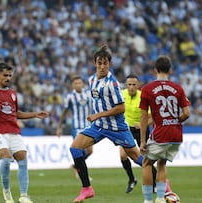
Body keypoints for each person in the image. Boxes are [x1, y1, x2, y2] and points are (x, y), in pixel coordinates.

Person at [69, 44, 145, 202]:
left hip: (117, 128)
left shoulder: (113, 83)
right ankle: (87, 188)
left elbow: (121, 108)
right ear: (95, 63)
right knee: (75, 148)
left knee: (139, 159)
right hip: (98, 126)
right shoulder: (91, 80)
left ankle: (163, 182)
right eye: (99, 63)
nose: (102, 66)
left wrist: (98, 115)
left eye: (105, 63)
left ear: (109, 64)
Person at [0, 62, 49, 203]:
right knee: (6, 159)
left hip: (14, 130)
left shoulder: (13, 94)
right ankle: (7, 192)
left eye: (10, 75)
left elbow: (16, 113)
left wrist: (35, 114)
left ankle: (23, 195)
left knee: (23, 158)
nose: (8, 78)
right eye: (5, 75)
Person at [139, 55, 191, 203]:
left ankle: (148, 200)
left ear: (155, 70)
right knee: (161, 163)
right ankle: (161, 198)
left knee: (146, 163)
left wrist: (142, 141)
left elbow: (144, 118)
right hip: (176, 135)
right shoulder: (178, 88)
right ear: (170, 70)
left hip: (160, 133)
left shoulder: (147, 89)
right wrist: (174, 121)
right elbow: (187, 113)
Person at [119, 74, 156, 193]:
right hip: (126, 130)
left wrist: (142, 125)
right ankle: (131, 179)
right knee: (123, 156)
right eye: (129, 84)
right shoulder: (121, 95)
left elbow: (152, 118)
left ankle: (155, 183)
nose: (131, 87)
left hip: (141, 130)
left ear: (138, 85)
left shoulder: (143, 96)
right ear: (126, 85)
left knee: (145, 159)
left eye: (134, 85)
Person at [56, 75, 93, 178]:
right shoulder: (70, 97)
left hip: (89, 126)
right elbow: (64, 112)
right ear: (72, 85)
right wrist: (59, 127)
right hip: (77, 127)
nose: (78, 85)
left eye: (79, 83)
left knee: (90, 151)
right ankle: (84, 175)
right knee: (79, 151)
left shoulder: (89, 94)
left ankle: (75, 165)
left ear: (83, 84)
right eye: (75, 83)